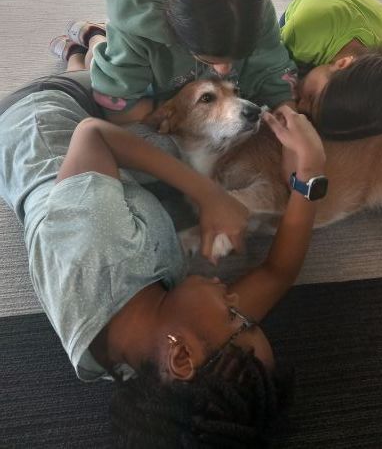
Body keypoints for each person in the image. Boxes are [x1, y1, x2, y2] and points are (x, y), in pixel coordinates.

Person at [0, 47, 326, 446]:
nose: (236, 300)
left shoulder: (102, 255)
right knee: (179, 129)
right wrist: (310, 171)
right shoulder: (150, 354)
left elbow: (92, 134)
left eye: (235, 318)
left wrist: (210, 195)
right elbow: (278, 274)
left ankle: (87, 47)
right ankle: (80, 52)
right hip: (104, 181)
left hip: (41, 115)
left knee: (177, 115)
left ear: (182, 358)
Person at [57, 0, 297, 126]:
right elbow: (119, 109)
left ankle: (92, 33)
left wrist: (287, 110)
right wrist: (179, 106)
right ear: (173, 30)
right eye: (208, 59)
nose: (224, 70)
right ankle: (90, 41)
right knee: (93, 65)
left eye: (236, 57)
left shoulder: (252, 9)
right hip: (147, 76)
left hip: (189, 84)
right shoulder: (137, 31)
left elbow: (273, 66)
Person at [279, 0, 382, 140]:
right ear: (342, 63)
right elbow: (269, 60)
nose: (300, 106)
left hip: (373, 19)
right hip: (320, 11)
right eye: (311, 97)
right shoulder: (304, 34)